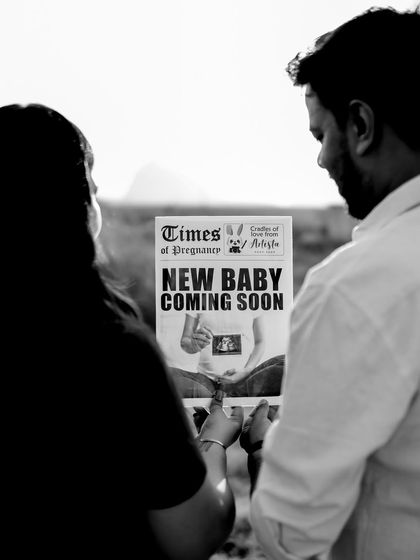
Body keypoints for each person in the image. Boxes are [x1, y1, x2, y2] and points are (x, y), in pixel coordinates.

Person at [1, 103, 244, 559]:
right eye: (91, 189)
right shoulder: (110, 349)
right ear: (74, 209)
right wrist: (214, 443)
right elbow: (191, 535)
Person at [240, 7, 420, 560]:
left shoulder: (355, 286)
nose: (321, 158)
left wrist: (266, 439)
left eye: (323, 135)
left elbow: (292, 535)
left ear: (361, 126)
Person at [170, 310, 285, 398]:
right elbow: (185, 341)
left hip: (243, 379)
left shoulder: (252, 294)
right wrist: (194, 345)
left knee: (284, 361)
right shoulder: (198, 294)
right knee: (164, 371)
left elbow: (260, 342)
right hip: (205, 380)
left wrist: (245, 371)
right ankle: (220, 400)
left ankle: (220, 401)